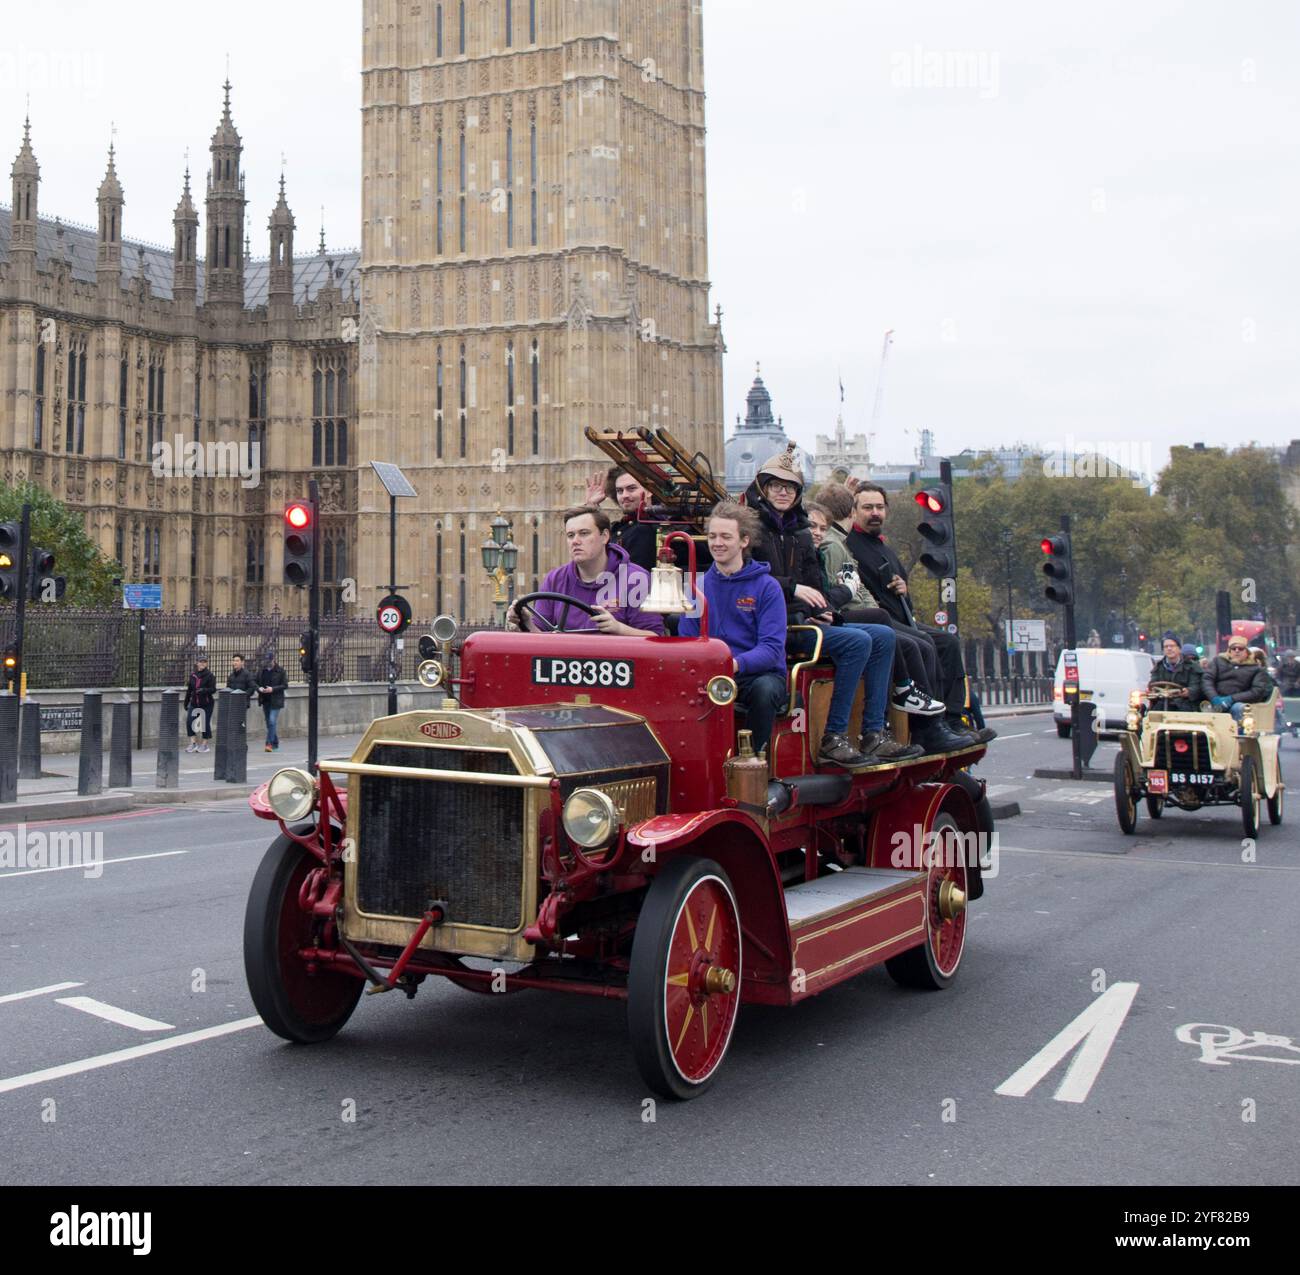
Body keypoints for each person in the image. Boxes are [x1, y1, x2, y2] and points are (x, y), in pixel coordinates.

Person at [743, 447, 918, 766]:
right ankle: (833, 736)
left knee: (884, 636)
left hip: (803, 619)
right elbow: (752, 577)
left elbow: (816, 586)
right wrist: (795, 589)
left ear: (797, 492)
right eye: (776, 486)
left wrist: (827, 607)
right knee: (858, 641)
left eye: (790, 487)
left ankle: (874, 732)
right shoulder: (753, 529)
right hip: (776, 627)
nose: (783, 492)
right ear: (763, 489)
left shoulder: (800, 532)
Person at [843, 482, 995, 747]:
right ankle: (929, 727)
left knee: (948, 642)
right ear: (854, 511)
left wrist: (904, 588)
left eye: (879, 507)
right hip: (877, 620)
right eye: (867, 507)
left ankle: (952, 719)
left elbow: (905, 604)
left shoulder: (884, 548)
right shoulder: (850, 545)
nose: (874, 513)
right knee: (921, 644)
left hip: (899, 618)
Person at [807, 499, 944, 718]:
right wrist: (846, 592)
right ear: (853, 512)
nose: (818, 533)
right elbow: (831, 594)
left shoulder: (825, 550)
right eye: (812, 526)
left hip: (831, 617)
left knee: (924, 641)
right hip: (814, 624)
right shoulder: (831, 547)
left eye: (823, 528)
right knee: (882, 634)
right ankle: (888, 712)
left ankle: (936, 719)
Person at [677, 502, 788, 755]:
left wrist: (732, 664)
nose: (717, 543)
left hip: (754, 675)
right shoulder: (696, 587)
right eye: (712, 536)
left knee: (766, 690)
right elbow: (687, 639)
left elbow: (771, 649)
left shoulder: (767, 587)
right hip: (707, 673)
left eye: (726, 537)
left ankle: (755, 763)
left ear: (744, 541)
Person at [507, 505, 665, 636]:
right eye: (570, 535)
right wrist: (525, 622)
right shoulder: (555, 579)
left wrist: (619, 629)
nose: (575, 541)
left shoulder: (635, 578)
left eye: (584, 533)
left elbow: (655, 638)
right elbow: (540, 639)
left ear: (604, 537)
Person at [1203, 637, 1274, 726]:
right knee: (1201, 707)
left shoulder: (1256, 669)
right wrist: (1214, 698)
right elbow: (1207, 679)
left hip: (1239, 703)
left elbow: (1257, 691)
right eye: (1234, 648)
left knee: (1239, 709)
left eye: (1240, 648)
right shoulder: (1218, 661)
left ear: (1246, 651)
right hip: (1215, 700)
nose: (1237, 651)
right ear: (1229, 650)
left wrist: (1231, 699)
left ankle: (1238, 736)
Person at [1147, 632, 1203, 711]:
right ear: (1163, 650)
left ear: (1179, 648)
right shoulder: (1158, 667)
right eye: (1166, 646)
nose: (1169, 649)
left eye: (1172, 646)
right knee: (1148, 715)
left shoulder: (1191, 666)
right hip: (1162, 703)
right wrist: (1153, 690)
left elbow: (1196, 686)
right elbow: (1153, 683)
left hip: (1185, 704)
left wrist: (1189, 691)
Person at [183, 656, 216, 754]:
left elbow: (213, 689)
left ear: (206, 664)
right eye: (200, 662)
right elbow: (189, 690)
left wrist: (204, 690)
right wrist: (186, 702)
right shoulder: (193, 675)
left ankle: (204, 745)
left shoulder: (210, 675)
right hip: (194, 703)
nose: (202, 664)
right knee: (189, 722)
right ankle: (193, 743)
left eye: (204, 662)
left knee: (204, 724)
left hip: (206, 704)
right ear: (197, 663)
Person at [257, 653, 288, 752]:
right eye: (266, 661)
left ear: (273, 660)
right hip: (265, 699)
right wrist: (259, 688)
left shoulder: (280, 671)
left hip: (276, 700)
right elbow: (256, 681)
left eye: (269, 661)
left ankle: (269, 744)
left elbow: (285, 685)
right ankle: (275, 743)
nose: (267, 663)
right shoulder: (262, 671)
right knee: (269, 723)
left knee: (271, 721)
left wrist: (273, 689)